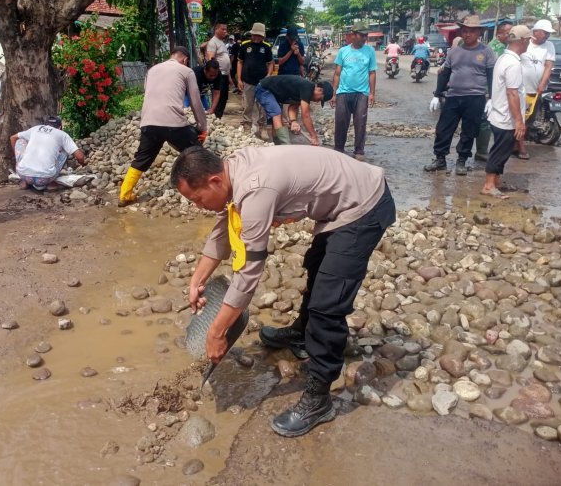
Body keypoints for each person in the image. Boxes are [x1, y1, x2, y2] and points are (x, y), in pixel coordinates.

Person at [170, 145, 395, 437]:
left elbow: (249, 273)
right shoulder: (233, 170)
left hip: (363, 205)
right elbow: (225, 227)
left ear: (214, 181)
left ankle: (319, 398)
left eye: (197, 199)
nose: (198, 206)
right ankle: (303, 334)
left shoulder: (254, 189)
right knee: (317, 265)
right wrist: (196, 280)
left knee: (328, 303)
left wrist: (216, 333)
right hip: (340, 202)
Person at [118, 46, 207, 207]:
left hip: (148, 121)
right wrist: (202, 127)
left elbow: (149, 93)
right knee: (195, 152)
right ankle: (203, 190)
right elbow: (195, 101)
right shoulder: (186, 71)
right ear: (185, 60)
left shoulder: (152, 70)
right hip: (174, 124)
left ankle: (125, 194)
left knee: (142, 158)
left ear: (171, 56)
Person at [424, 15, 496, 175]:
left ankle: (462, 160)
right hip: (453, 96)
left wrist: (491, 97)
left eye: (471, 31)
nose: (467, 34)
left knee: (469, 130)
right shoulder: (454, 52)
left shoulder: (486, 52)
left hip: (475, 97)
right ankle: (440, 159)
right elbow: (445, 73)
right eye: (465, 31)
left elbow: (491, 75)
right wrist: (437, 94)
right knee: (443, 129)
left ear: (479, 33)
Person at [481, 25, 531, 200]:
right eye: (528, 40)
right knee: (500, 151)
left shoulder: (504, 58)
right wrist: (519, 121)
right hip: (505, 117)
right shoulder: (513, 63)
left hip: (499, 114)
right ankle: (488, 185)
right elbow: (512, 93)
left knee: (502, 148)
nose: (529, 44)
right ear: (523, 41)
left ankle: (496, 181)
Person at [331, 25, 377, 161]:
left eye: (365, 36)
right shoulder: (343, 51)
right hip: (343, 93)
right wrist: (334, 94)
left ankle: (359, 150)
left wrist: (372, 93)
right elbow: (337, 73)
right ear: (353, 35)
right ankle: (339, 149)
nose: (364, 38)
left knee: (360, 122)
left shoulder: (370, 51)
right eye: (361, 35)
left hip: (362, 93)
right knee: (340, 122)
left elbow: (372, 73)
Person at [10, 116, 86, 191]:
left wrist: (19, 160)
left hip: (23, 175)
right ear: (59, 127)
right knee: (65, 149)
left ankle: (25, 181)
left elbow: (12, 138)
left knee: (20, 141)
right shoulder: (62, 134)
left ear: (46, 124)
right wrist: (83, 165)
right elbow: (79, 157)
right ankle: (51, 183)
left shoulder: (36, 128)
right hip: (45, 179)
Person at [254, 74, 333, 145]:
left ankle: (277, 144)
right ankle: (285, 146)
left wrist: (293, 121)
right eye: (320, 99)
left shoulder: (305, 90)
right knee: (277, 113)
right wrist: (314, 136)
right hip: (264, 89)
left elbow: (293, 107)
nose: (317, 101)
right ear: (320, 90)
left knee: (279, 118)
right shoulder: (308, 87)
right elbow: (305, 116)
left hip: (274, 94)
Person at [518, 19, 556, 161]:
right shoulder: (525, 43)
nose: (547, 36)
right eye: (545, 33)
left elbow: (548, 66)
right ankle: (519, 146)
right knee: (518, 118)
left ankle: (518, 144)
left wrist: (542, 84)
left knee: (528, 119)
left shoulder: (549, 46)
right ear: (536, 31)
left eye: (548, 34)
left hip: (535, 90)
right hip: (520, 89)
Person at [475, 22, 512, 162]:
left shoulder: (504, 47)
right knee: (486, 120)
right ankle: (482, 151)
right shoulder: (496, 48)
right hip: (491, 90)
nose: (511, 35)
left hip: (496, 90)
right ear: (500, 34)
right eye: (508, 32)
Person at [237, 22, 273, 137]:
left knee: (262, 106)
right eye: (255, 35)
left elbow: (271, 63)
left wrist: (268, 75)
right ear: (252, 34)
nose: (257, 38)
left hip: (262, 83)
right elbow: (240, 62)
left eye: (259, 36)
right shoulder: (245, 45)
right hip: (248, 81)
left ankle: (262, 127)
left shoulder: (266, 47)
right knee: (248, 105)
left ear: (263, 36)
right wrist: (239, 79)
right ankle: (247, 125)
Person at [204, 22, 231, 119]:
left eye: (226, 29)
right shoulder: (213, 42)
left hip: (224, 75)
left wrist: (229, 78)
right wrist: (215, 76)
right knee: (219, 99)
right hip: (219, 75)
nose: (225, 31)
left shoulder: (221, 42)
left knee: (224, 98)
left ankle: (218, 118)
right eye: (223, 29)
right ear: (216, 30)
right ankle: (215, 118)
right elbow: (211, 60)